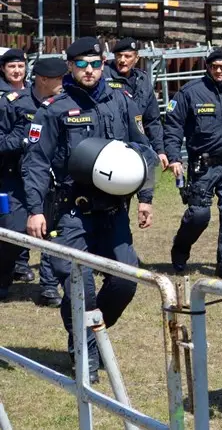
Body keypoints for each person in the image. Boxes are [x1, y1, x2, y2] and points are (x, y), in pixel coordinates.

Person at [22, 37, 153, 384]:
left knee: (126, 281)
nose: (90, 70)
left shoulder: (121, 102)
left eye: (95, 63)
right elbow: (35, 163)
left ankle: (91, 334)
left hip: (113, 213)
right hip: (71, 214)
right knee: (82, 285)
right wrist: (35, 210)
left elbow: (144, 151)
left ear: (104, 64)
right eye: (81, 64)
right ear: (70, 67)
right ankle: (86, 353)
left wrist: (146, 196)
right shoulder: (54, 109)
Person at [163, 47, 222, 281]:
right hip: (202, 166)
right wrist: (174, 158)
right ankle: (181, 248)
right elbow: (173, 126)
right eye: (215, 67)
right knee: (199, 215)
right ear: (208, 67)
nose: (219, 71)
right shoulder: (191, 92)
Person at [0, 57, 64, 305]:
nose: (62, 84)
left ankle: (49, 287)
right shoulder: (12, 104)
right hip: (15, 179)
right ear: (43, 80)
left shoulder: (63, 104)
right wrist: (22, 141)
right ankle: (3, 276)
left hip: (50, 178)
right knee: (14, 232)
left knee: (54, 230)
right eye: (58, 79)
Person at [103, 37, 168, 169]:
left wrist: (160, 150)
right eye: (119, 56)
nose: (122, 60)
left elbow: (152, 120)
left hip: (139, 149)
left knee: (146, 188)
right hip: (110, 150)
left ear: (136, 58)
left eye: (127, 56)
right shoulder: (103, 77)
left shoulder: (142, 80)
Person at [0, 48, 35, 284]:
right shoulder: (2, 96)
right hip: (6, 167)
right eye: (12, 67)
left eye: (20, 66)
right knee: (10, 219)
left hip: (31, 168)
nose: (17, 71)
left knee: (28, 214)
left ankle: (21, 263)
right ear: (3, 69)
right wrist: (23, 139)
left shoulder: (34, 91)